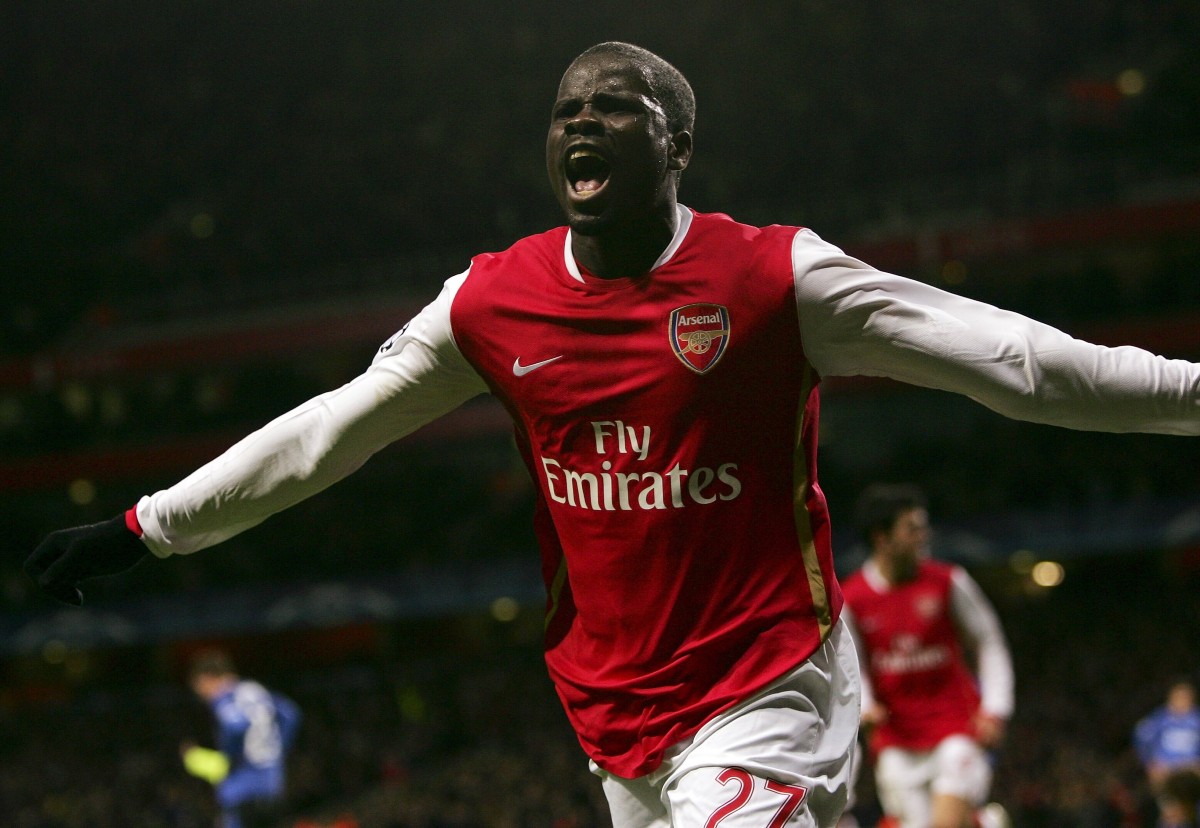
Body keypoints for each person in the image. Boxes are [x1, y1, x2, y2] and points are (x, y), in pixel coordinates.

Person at [24, 41, 1200, 827]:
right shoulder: (490, 301)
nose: (580, 124)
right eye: (564, 112)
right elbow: (330, 433)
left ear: (677, 144)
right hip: (610, 710)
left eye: (614, 108)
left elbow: (1025, 365)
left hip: (766, 681)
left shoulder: (772, 278)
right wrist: (148, 527)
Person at [841, 484, 1013, 828]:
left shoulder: (949, 581)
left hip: (956, 727)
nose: (924, 535)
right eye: (913, 528)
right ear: (882, 538)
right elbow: (850, 663)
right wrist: (866, 707)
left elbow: (989, 641)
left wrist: (995, 709)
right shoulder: (852, 598)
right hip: (897, 738)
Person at [183, 649, 303, 828]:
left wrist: (228, 759)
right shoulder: (255, 690)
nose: (201, 694)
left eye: (199, 687)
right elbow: (291, 714)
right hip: (271, 782)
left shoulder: (224, 696)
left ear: (208, 679)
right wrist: (277, 752)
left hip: (243, 785)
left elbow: (235, 727)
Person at [1135, 678, 1200, 828]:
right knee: (1167, 798)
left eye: (1186, 697)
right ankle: (1171, 819)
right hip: (1168, 768)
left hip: (1190, 767)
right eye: (1178, 697)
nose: (1182, 701)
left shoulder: (1196, 719)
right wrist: (1149, 763)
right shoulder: (1160, 719)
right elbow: (1141, 737)